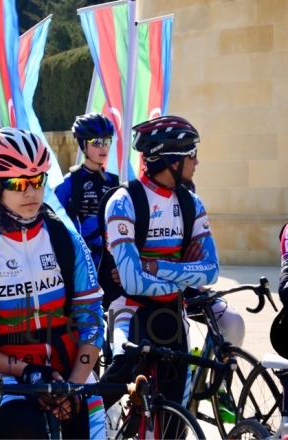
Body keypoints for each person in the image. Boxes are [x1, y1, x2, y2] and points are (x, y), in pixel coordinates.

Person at [0, 127, 105, 439]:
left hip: (68, 369)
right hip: (3, 372)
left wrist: (73, 384)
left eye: (38, 181)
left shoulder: (65, 240)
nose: (31, 192)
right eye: (19, 184)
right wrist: (25, 371)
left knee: (90, 422)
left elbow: (91, 319)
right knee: (22, 423)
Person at [100, 115, 219, 410]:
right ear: (172, 160)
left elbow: (212, 270)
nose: (197, 162)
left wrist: (153, 267)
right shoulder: (123, 201)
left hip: (172, 314)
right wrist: (185, 274)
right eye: (192, 154)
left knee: (175, 418)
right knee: (108, 391)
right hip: (128, 310)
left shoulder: (192, 203)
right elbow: (131, 282)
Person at [54, 113, 118, 265]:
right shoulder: (69, 183)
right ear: (83, 145)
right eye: (96, 142)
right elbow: (54, 225)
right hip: (82, 263)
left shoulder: (114, 181)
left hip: (111, 263)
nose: (103, 147)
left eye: (106, 141)